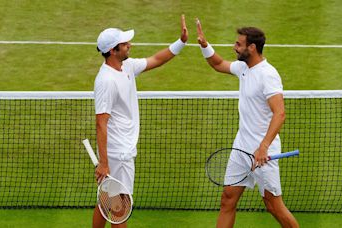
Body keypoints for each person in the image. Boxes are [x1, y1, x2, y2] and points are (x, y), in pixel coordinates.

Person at [196, 19, 299, 228]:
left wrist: (263, 147)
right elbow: (217, 64)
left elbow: (279, 114)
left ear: (252, 47)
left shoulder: (268, 75)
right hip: (241, 148)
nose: (234, 47)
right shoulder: (243, 68)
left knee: (273, 205)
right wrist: (204, 44)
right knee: (227, 199)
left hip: (263, 152)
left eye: (238, 44)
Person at [93, 15, 188, 228]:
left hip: (121, 151)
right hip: (118, 154)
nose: (130, 45)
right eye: (124, 44)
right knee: (120, 208)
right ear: (112, 51)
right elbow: (101, 123)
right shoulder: (106, 81)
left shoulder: (126, 67)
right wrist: (105, 162)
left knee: (105, 201)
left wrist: (181, 42)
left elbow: (156, 59)